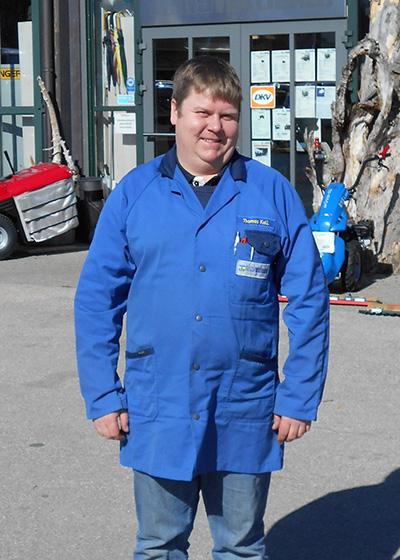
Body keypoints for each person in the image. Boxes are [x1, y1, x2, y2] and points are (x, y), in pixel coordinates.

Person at [75, 56, 329, 559]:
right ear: (174, 112)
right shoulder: (135, 194)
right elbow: (97, 299)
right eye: (203, 112)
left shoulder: (271, 193)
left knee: (240, 546)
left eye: (228, 115)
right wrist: (103, 393)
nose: (216, 126)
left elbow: (309, 300)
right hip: (159, 402)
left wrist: (299, 395)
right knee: (160, 544)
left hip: (245, 404)